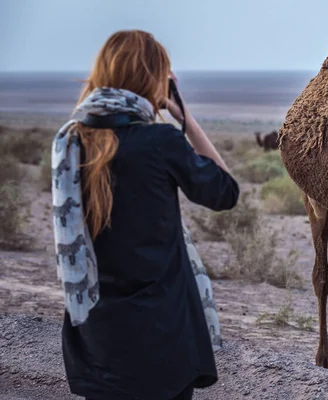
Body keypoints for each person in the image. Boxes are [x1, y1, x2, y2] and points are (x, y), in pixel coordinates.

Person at [51, 30, 239, 400]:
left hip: (97, 338)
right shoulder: (161, 142)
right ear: (154, 78)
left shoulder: (71, 142)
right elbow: (225, 192)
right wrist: (181, 114)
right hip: (163, 338)